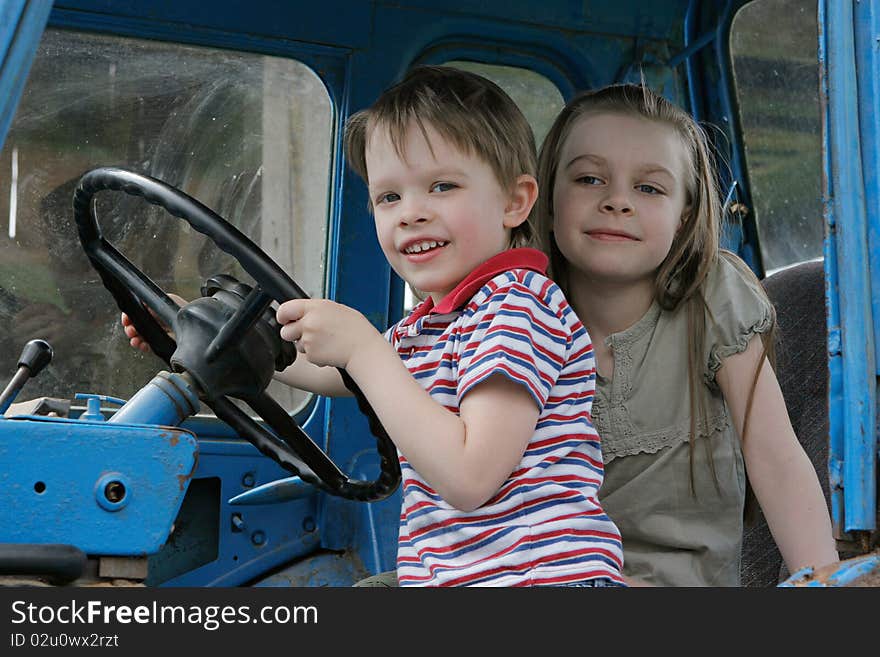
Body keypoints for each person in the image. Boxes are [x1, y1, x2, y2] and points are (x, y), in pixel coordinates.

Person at [126, 66, 625, 587]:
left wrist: (365, 349)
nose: (410, 213)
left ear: (514, 201)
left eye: (442, 186)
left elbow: (470, 476)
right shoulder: (435, 322)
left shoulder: (519, 306)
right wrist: (191, 326)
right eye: (390, 197)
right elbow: (334, 372)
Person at [532, 83, 838, 586]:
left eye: (649, 188)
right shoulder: (518, 317)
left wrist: (824, 584)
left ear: (685, 217)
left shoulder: (713, 298)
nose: (617, 201)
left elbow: (776, 458)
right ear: (545, 200)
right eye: (589, 179)